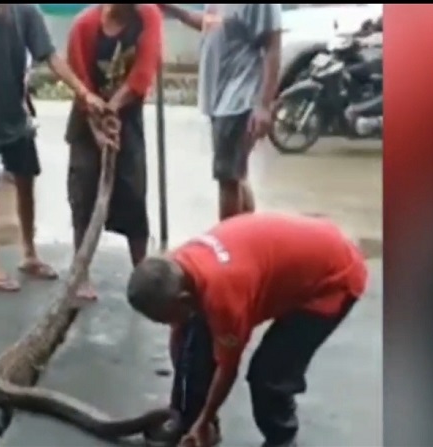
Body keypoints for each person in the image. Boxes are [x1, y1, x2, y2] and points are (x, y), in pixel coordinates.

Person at [127, 213, 368, 447]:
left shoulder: (224, 297)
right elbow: (181, 336)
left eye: (165, 318)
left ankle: (282, 440)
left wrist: (205, 418)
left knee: (269, 375)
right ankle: (192, 424)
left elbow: (227, 369)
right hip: (295, 253)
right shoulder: (175, 267)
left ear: (183, 299)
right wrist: (182, 406)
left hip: (333, 279)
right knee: (195, 342)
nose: (166, 325)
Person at [0, 4, 106, 291]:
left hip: (16, 117)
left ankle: (29, 253)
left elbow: (50, 55)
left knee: (26, 182)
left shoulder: (26, 12)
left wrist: (83, 92)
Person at [65, 4, 163, 300]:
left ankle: (142, 272)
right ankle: (80, 272)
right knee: (84, 192)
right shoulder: (84, 26)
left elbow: (142, 74)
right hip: (86, 116)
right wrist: (96, 121)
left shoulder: (148, 17)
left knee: (133, 192)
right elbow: (80, 82)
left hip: (127, 115)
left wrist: (113, 110)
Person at [158, 4, 282, 221]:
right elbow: (210, 23)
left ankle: (228, 245)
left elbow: (273, 45)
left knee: (227, 177)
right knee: (236, 173)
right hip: (220, 96)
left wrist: (264, 105)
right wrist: (174, 10)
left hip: (240, 96)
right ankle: (247, 235)